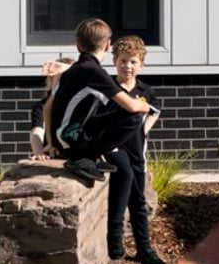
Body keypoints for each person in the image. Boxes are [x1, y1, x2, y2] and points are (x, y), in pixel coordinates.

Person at [46, 18, 154, 185]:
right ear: (107, 45)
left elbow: (47, 107)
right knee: (135, 115)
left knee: (120, 112)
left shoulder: (74, 69)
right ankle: (84, 157)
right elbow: (132, 105)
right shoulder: (94, 72)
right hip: (71, 140)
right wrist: (145, 105)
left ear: (77, 45)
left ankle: (88, 156)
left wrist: (51, 141)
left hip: (64, 136)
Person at [103, 35, 165, 264]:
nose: (127, 66)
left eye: (132, 62)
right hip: (114, 150)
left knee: (138, 200)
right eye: (122, 61)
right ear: (115, 61)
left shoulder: (144, 91)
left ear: (141, 64)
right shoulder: (109, 88)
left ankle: (144, 248)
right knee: (120, 192)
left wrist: (144, 130)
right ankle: (115, 239)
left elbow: (155, 111)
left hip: (137, 150)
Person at [29, 56, 75, 159]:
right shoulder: (42, 106)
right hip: (53, 153)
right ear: (51, 79)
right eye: (61, 78)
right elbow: (37, 131)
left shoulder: (80, 103)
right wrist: (39, 152)